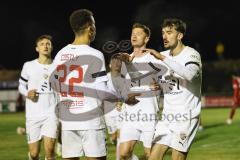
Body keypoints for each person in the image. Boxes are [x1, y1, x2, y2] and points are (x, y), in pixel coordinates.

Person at [48, 9, 138, 160]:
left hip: (68, 122)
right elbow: (101, 91)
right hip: (90, 120)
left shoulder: (60, 55)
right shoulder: (95, 55)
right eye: (94, 24)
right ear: (90, 27)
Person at [144, 18, 202, 160]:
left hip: (186, 117)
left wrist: (163, 59)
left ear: (180, 35)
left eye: (169, 32)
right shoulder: (163, 55)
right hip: (167, 117)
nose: (164, 36)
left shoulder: (191, 54)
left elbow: (189, 75)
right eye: (163, 33)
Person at [118, 23, 166, 160]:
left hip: (148, 114)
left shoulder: (153, 58)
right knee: (123, 154)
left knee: (150, 155)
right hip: (130, 115)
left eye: (138, 34)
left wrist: (160, 85)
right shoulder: (126, 59)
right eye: (133, 33)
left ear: (146, 39)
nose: (134, 36)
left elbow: (169, 80)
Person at [18, 34, 58, 160]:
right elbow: (21, 86)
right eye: (42, 44)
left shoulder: (58, 66)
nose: (45, 46)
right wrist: (27, 93)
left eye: (48, 44)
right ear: (37, 49)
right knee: (34, 153)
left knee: (50, 149)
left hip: (52, 112)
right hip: (33, 114)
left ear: (51, 47)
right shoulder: (28, 65)